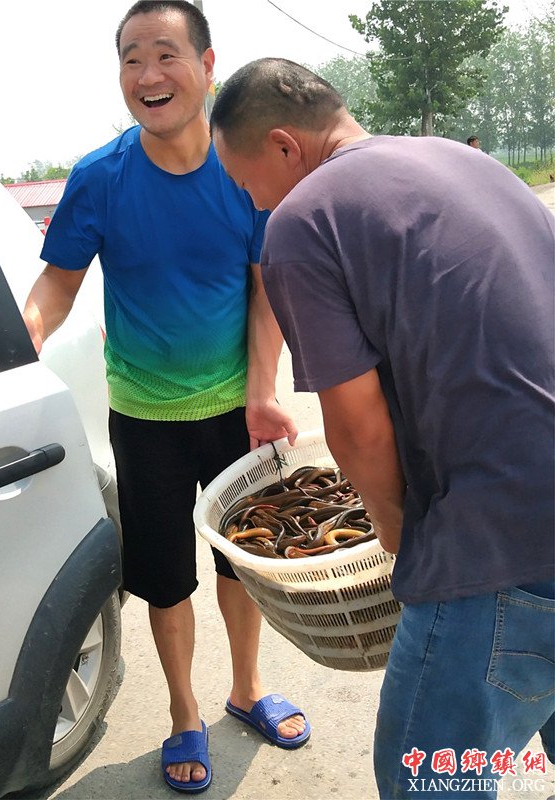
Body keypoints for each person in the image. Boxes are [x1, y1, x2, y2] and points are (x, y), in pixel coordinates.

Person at [210, 58, 555, 800]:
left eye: (243, 184)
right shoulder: (470, 163)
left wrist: (398, 538)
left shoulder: (303, 220)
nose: (252, 203)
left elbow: (358, 426)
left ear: (283, 146)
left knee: (423, 779)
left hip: (501, 538)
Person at [22, 11, 311, 795]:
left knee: (245, 562)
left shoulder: (242, 167)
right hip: (143, 418)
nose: (147, 75)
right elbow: (59, 282)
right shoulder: (100, 176)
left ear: (208, 65)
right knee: (166, 579)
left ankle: (246, 688)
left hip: (237, 412)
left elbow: (264, 290)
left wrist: (262, 390)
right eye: (131, 59)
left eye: (165, 55)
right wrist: (26, 332)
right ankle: (184, 713)